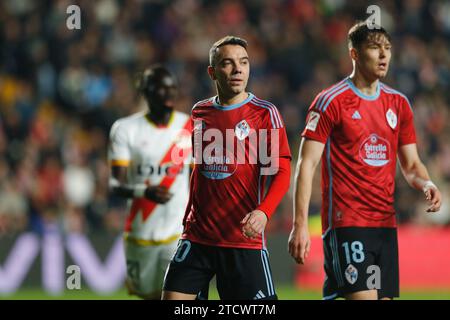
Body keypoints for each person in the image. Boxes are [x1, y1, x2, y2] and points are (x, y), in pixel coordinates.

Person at [288, 21, 442, 300]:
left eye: (387, 48)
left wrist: (426, 182)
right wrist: (299, 225)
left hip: (384, 225)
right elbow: (306, 164)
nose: (384, 55)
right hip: (347, 222)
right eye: (374, 48)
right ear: (354, 54)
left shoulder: (399, 103)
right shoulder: (330, 101)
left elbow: (411, 165)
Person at [162, 36, 291, 300]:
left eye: (243, 62)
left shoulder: (265, 113)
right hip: (197, 238)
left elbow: (282, 170)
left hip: (241, 239)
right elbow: (193, 168)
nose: (238, 70)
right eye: (228, 63)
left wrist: (264, 212)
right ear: (213, 72)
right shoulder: (199, 112)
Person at [108, 65, 192, 300]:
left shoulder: (190, 128)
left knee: (176, 299)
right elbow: (115, 185)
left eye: (172, 89)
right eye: (160, 89)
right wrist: (145, 192)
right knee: (148, 296)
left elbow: (200, 181)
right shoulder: (125, 129)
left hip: (179, 235)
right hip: (139, 233)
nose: (167, 94)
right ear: (145, 92)